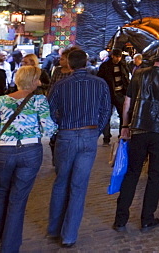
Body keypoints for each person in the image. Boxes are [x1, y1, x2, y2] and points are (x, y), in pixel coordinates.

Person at [0, 65, 58, 253]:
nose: (40, 83)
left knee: (0, 195)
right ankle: (9, 247)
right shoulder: (39, 101)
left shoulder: (1, 101)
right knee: (18, 199)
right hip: (29, 151)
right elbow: (48, 128)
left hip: (2, 152)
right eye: (38, 79)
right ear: (32, 81)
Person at [113, 46, 159, 233]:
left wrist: (125, 127)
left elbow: (128, 103)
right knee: (155, 176)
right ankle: (147, 218)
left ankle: (120, 220)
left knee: (132, 173)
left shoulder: (138, 75)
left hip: (138, 129)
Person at [47, 48, 112, 248]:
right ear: (85, 63)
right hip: (88, 135)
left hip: (66, 135)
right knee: (79, 186)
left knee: (61, 182)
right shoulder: (99, 84)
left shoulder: (60, 85)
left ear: (69, 64)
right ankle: (69, 235)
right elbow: (106, 110)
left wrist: (61, 124)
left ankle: (54, 229)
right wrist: (96, 131)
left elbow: (50, 111)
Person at [97, 47, 131, 145]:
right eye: (116, 56)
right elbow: (101, 79)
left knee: (123, 115)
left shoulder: (123, 65)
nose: (118, 59)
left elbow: (126, 79)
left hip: (120, 94)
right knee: (106, 116)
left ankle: (121, 135)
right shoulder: (105, 66)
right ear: (112, 56)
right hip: (109, 95)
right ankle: (106, 137)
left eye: (119, 57)